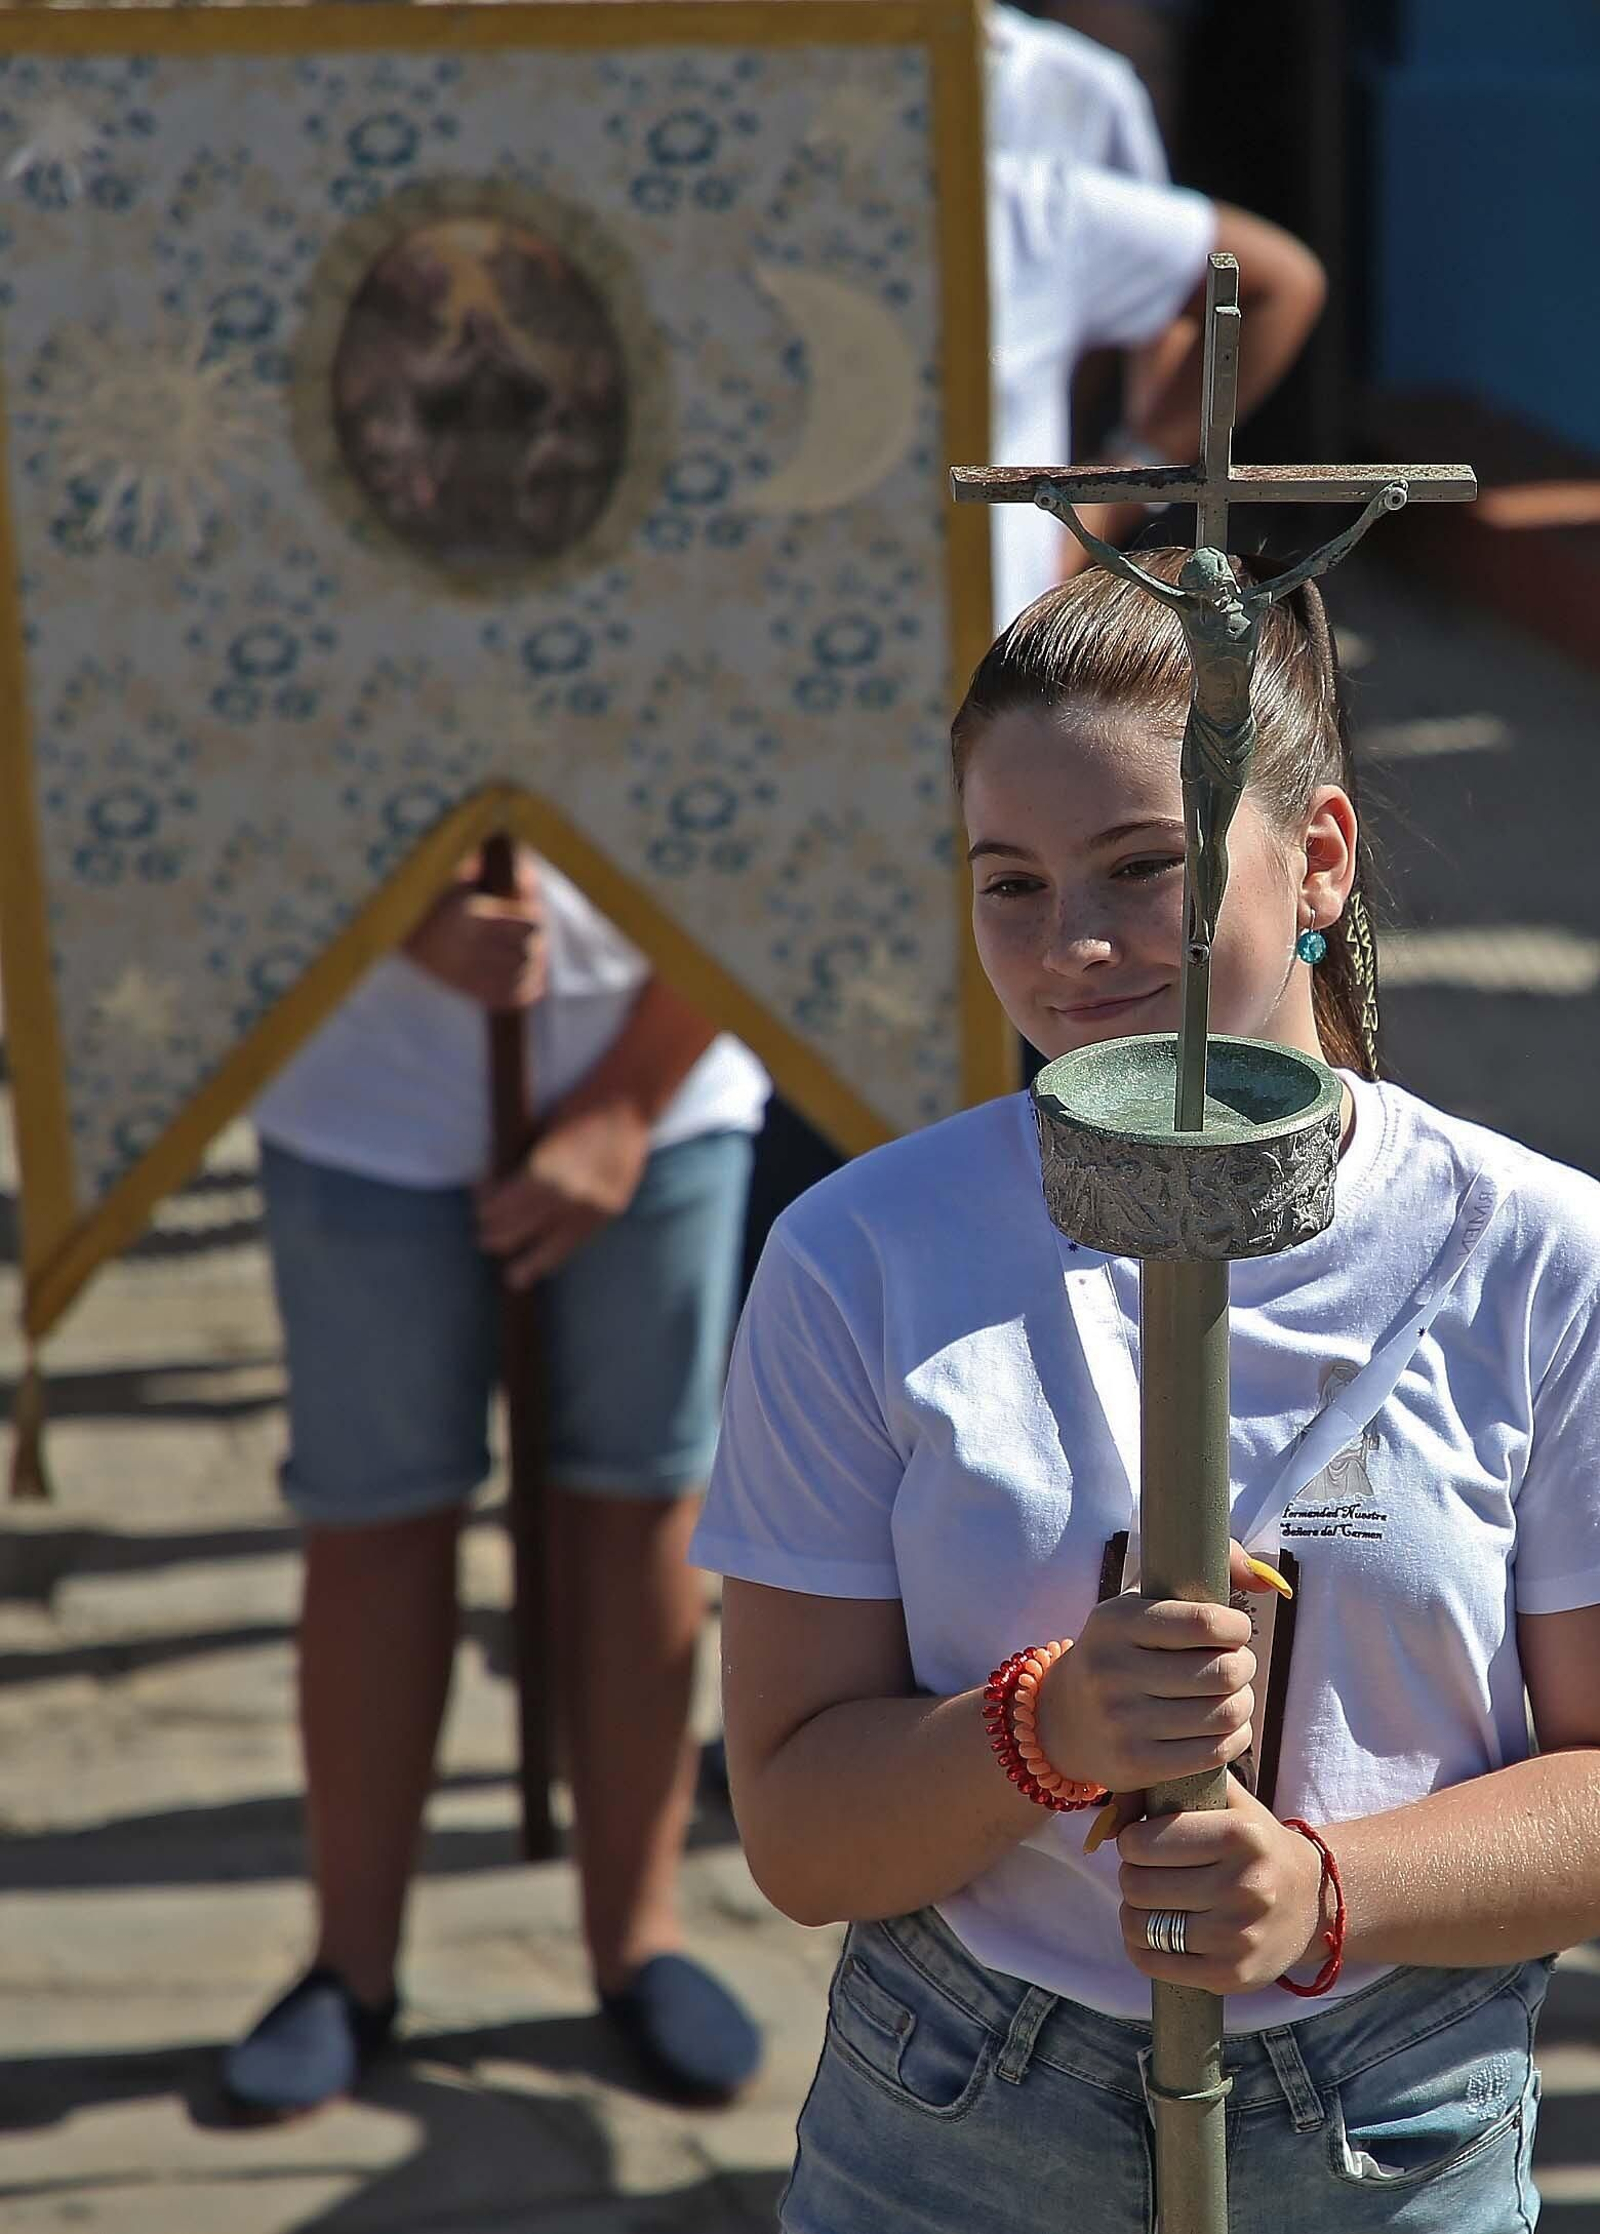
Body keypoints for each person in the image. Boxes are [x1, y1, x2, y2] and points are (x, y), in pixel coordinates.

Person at [692, 555, 1600, 2229]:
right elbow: (806, 1834)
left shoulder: (1534, 1253)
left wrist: (1331, 1888)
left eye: (1143, 866)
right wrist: (1045, 1728)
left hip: (1385, 2115)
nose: (1076, 947)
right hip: (962, 2110)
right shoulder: (861, 1253)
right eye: (1009, 884)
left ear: (1317, 853)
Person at [224, 849, 770, 2116]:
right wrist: (383, 908)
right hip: (356, 1094)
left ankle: (639, 1937)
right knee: (370, 1516)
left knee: (640, 1508)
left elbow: (822, 811)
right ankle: (348, 1962)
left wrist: (631, 1095)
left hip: (668, 1081)